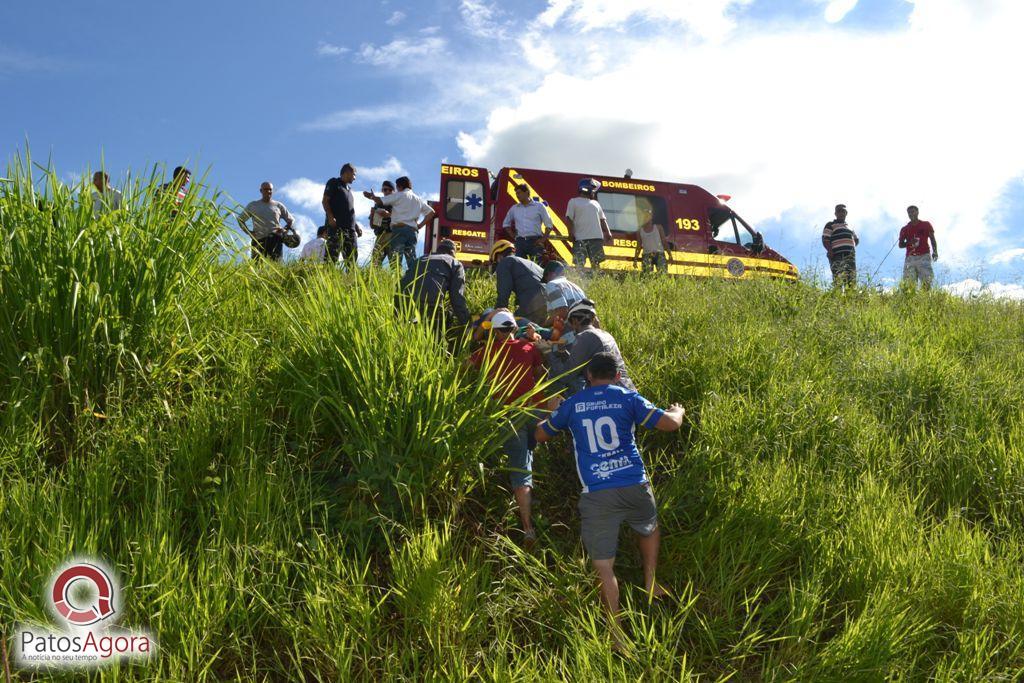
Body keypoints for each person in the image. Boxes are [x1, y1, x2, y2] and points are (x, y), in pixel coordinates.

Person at [535, 352, 684, 649]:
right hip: (634, 483)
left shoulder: (574, 404)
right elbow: (669, 424)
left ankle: (616, 634)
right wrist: (678, 411)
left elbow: (540, 435)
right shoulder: (628, 397)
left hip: (597, 491)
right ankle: (651, 580)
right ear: (617, 376)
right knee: (649, 527)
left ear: (588, 377)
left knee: (604, 566)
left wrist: (552, 410)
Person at [468, 309, 546, 542]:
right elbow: (540, 372)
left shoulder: (487, 352)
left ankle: (528, 528)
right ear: (513, 329)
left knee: (520, 471)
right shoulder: (529, 348)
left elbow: (463, 368)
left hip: (511, 417)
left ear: (496, 333)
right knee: (527, 455)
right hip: (534, 412)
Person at [556, 299, 635, 396]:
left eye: (570, 323)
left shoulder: (584, 337)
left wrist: (547, 353)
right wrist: (562, 352)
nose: (571, 327)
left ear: (575, 321)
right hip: (626, 391)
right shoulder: (605, 334)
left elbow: (567, 375)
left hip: (611, 396)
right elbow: (579, 364)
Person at [365, 176, 435, 272]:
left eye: (397, 187)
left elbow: (380, 200)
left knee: (396, 261)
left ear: (400, 186)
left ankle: (397, 282)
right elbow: (431, 212)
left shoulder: (399, 195)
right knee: (412, 259)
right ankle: (414, 282)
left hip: (399, 230)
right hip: (413, 232)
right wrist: (420, 225)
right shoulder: (418, 199)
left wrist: (371, 196)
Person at [398, 238, 470, 330]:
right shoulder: (455, 263)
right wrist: (467, 323)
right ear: (452, 252)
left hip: (402, 303)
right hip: (429, 307)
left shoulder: (421, 259)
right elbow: (457, 297)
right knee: (443, 322)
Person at [491, 239, 548, 323]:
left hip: (533, 303)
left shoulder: (505, 262)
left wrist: (498, 315)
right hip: (549, 302)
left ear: (499, 256)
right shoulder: (527, 263)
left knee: (513, 326)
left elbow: (504, 292)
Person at [237, 181, 295, 261]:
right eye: (265, 189)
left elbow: (291, 220)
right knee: (257, 268)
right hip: (258, 241)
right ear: (261, 191)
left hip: (275, 240)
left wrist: (285, 229)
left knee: (276, 267)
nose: (268, 191)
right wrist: (249, 232)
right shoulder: (253, 205)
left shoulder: (278, 205)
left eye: (270, 189)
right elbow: (240, 219)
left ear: (272, 191)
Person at [565, 178, 613, 270]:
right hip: (579, 238)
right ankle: (579, 281)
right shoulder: (573, 201)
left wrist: (608, 233)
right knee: (579, 264)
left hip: (596, 238)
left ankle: (595, 281)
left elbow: (603, 220)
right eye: (593, 190)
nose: (594, 192)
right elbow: (569, 219)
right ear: (588, 188)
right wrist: (570, 233)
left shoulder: (596, 203)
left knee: (596, 264)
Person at [323, 163, 362, 268]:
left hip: (351, 230)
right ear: (347, 172)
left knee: (352, 261)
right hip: (336, 227)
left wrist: (356, 227)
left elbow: (349, 211)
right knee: (331, 258)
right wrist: (331, 218)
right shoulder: (334, 182)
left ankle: (350, 283)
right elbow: (325, 201)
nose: (355, 178)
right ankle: (326, 280)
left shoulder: (349, 190)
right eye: (354, 175)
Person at [503, 184, 554, 262]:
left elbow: (549, 225)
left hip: (535, 242)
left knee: (538, 266)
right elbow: (506, 224)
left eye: (519, 193)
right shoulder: (514, 208)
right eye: (516, 193)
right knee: (519, 266)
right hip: (520, 242)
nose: (517, 195)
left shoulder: (539, 206)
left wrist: (543, 239)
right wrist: (513, 236)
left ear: (526, 193)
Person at [899, 205, 939, 289]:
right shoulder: (905, 229)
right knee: (909, 284)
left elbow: (932, 239)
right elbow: (900, 244)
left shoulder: (926, 224)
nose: (911, 214)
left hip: (924, 256)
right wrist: (909, 242)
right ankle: (910, 301)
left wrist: (935, 252)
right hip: (910, 258)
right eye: (909, 213)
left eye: (913, 211)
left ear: (917, 212)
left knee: (926, 281)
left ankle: (925, 300)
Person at [821, 204, 859, 288]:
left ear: (846, 213)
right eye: (839, 211)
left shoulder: (849, 227)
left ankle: (850, 298)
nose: (841, 213)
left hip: (850, 256)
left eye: (843, 211)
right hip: (836, 255)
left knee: (851, 279)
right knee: (838, 278)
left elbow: (856, 239)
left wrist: (851, 245)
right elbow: (825, 239)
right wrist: (830, 250)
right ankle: (838, 298)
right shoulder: (830, 225)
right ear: (835, 214)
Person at [542, 260, 586, 326]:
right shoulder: (576, 287)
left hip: (568, 331)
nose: (546, 282)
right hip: (583, 329)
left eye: (546, 278)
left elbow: (562, 312)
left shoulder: (552, 284)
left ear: (551, 274)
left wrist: (543, 326)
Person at [370, 180, 396, 267]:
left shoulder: (397, 203)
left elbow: (403, 219)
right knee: (374, 264)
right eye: (385, 190)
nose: (387, 192)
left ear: (394, 191)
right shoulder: (378, 204)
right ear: (382, 191)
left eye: (390, 190)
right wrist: (372, 214)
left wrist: (388, 215)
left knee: (394, 264)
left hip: (392, 235)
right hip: (380, 236)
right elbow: (373, 226)